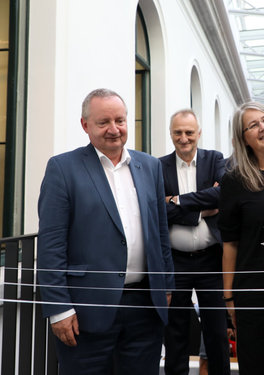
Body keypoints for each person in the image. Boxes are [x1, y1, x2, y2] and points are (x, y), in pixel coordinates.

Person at [37, 88, 174, 375]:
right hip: (86, 311)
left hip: (145, 307)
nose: (114, 129)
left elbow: (161, 232)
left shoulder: (149, 166)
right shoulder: (63, 168)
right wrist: (59, 308)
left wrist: (167, 286)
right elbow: (51, 245)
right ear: (85, 125)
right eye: (104, 122)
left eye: (120, 120)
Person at [218, 102, 264, 375]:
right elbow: (230, 245)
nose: (263, 127)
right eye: (253, 125)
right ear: (244, 139)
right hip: (256, 293)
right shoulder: (235, 181)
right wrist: (229, 300)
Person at [160, 109, 230, 375]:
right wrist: (201, 210)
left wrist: (178, 200)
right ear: (171, 134)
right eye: (178, 132)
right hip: (175, 261)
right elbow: (157, 209)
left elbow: (223, 195)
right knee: (175, 331)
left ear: (198, 133)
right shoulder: (160, 165)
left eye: (189, 132)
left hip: (211, 259)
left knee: (216, 331)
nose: (184, 138)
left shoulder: (214, 159)